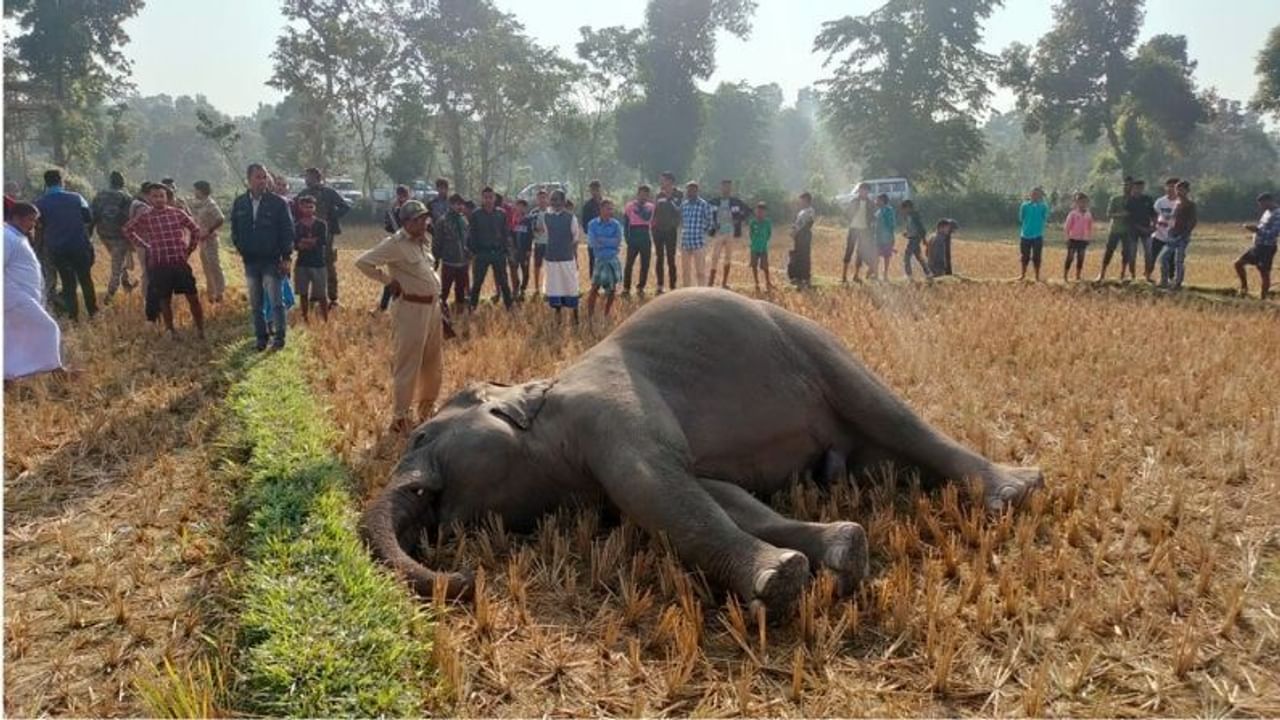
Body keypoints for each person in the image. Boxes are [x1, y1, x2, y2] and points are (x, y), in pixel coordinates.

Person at [354, 200, 445, 434]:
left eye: (425, 218)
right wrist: (388, 282)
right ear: (407, 222)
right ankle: (401, 416)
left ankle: (426, 408)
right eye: (418, 219)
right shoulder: (394, 244)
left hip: (432, 309)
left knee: (433, 362)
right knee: (408, 363)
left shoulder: (425, 241)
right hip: (411, 309)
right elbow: (363, 262)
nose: (424, 222)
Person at [122, 182, 207, 338]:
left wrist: (189, 249)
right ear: (149, 198)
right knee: (164, 300)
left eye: (162, 196)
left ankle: (200, 329)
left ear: (167, 197)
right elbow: (127, 230)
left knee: (193, 297)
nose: (158, 199)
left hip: (179, 263)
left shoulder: (177, 213)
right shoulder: (146, 216)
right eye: (155, 196)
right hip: (160, 265)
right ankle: (171, 330)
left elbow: (195, 229)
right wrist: (145, 245)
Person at [230, 163, 295, 351]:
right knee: (256, 303)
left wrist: (286, 257)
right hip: (251, 260)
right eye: (258, 177)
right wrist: (241, 247)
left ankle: (279, 338)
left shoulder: (278, 203)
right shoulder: (240, 202)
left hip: (272, 260)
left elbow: (287, 231)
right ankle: (261, 338)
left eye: (264, 177)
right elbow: (234, 229)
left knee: (276, 301)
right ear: (248, 179)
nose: (262, 181)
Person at [5, 203, 67, 380]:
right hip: (14, 296)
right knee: (48, 327)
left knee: (14, 337)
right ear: (17, 217)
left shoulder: (16, 236)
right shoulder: (6, 237)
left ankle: (10, 375)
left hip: (18, 296)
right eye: (30, 219)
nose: (33, 224)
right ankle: (56, 370)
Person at [35, 170, 97, 320]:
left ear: (46, 183)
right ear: (62, 181)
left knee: (68, 283)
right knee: (85, 280)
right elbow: (88, 219)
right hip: (79, 244)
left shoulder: (39, 203)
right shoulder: (77, 198)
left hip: (57, 248)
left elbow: (39, 227)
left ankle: (73, 316)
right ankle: (93, 313)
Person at [294, 167, 351, 307]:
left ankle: (333, 298)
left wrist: (331, 218)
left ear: (315, 178)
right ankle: (312, 298)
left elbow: (345, 207)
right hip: (307, 233)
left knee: (327, 263)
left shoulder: (329, 192)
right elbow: (293, 209)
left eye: (308, 177)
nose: (306, 180)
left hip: (327, 234)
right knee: (308, 264)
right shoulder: (303, 194)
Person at [89, 170, 136, 301]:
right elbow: (130, 218)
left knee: (118, 260)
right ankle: (110, 295)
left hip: (103, 234)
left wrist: (89, 233)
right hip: (119, 236)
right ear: (123, 182)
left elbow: (92, 214)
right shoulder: (126, 197)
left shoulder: (100, 195)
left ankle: (126, 284)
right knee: (117, 265)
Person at [538, 189, 582, 324]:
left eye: (557, 200)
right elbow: (544, 233)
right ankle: (558, 318)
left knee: (571, 286)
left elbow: (575, 238)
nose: (555, 203)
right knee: (555, 287)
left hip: (567, 259)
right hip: (551, 259)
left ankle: (575, 318)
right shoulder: (546, 217)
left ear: (563, 202)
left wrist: (574, 257)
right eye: (552, 200)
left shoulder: (571, 217)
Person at [467, 187, 513, 310]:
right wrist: (474, 251)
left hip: (498, 252)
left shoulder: (501, 213)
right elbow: (472, 234)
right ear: (482, 199)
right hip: (482, 253)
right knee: (477, 282)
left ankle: (509, 306)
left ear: (494, 198)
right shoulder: (476, 214)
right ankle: (472, 306)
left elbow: (505, 233)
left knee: (503, 281)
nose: (488, 200)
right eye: (486, 197)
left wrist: (505, 250)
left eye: (490, 197)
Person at [292, 195, 330, 323]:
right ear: (300, 208)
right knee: (303, 293)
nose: (308, 209)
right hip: (302, 263)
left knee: (321, 294)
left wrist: (305, 242)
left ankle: (325, 319)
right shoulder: (296, 226)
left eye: (310, 207)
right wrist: (309, 242)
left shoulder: (321, 224)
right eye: (305, 207)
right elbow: (295, 244)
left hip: (318, 263)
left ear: (314, 208)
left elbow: (322, 241)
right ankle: (305, 317)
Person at [188, 181, 226, 303]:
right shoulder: (200, 204)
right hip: (202, 241)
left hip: (210, 240)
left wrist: (209, 231)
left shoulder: (210, 203)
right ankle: (211, 292)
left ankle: (220, 292)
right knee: (206, 267)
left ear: (201, 190)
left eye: (195, 190)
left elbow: (220, 218)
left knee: (214, 266)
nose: (194, 192)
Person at [1235, 192, 1278, 299]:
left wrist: (1256, 230)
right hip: (1258, 246)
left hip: (1267, 247)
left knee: (1264, 272)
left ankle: (1263, 297)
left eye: (1262, 204)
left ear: (1269, 201)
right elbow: (1263, 228)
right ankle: (1244, 287)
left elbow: (1274, 233)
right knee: (1238, 263)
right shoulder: (1267, 212)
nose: (1261, 206)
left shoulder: (1278, 214)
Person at [432, 193, 471, 313]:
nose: (460, 207)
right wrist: (436, 258)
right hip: (449, 260)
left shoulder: (463, 220)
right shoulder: (443, 221)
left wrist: (469, 253)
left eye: (461, 204)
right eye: (457, 204)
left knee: (460, 289)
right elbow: (437, 241)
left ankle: (459, 310)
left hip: (463, 260)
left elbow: (468, 238)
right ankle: (439, 310)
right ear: (450, 205)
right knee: (445, 289)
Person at [586, 199, 625, 319]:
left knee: (612, 289)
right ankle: (590, 314)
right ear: (601, 209)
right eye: (608, 209)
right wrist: (609, 241)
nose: (610, 211)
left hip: (612, 259)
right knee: (594, 288)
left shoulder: (616, 224)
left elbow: (618, 242)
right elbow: (593, 243)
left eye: (611, 209)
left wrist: (602, 240)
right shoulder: (592, 224)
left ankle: (606, 313)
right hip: (600, 260)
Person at [378, 185, 413, 312]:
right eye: (400, 195)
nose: (402, 198)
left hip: (411, 246)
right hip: (397, 245)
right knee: (394, 278)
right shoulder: (392, 210)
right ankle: (384, 307)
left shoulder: (413, 209)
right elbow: (387, 226)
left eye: (404, 195)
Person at [708, 179, 748, 288]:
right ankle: (710, 282)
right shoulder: (713, 202)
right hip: (718, 233)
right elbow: (706, 214)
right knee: (715, 257)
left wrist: (739, 220)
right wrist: (712, 224)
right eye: (724, 186)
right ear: (720, 188)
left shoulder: (736, 202)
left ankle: (724, 282)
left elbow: (748, 211)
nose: (726, 189)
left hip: (731, 232)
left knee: (728, 257)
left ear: (731, 188)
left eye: (729, 187)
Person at [1159, 180, 1196, 290]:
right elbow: (1173, 218)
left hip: (1183, 236)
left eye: (1181, 189)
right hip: (1173, 234)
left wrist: (1185, 233)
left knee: (1179, 260)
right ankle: (1164, 281)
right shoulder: (1177, 204)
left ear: (1187, 191)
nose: (1178, 191)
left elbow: (1193, 221)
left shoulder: (1190, 205)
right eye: (1177, 189)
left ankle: (1177, 283)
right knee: (1164, 258)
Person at [1097, 177, 1134, 281]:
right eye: (1125, 185)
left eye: (1129, 185)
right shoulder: (1115, 199)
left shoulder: (1134, 200)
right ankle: (1102, 273)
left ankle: (1122, 273)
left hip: (1128, 230)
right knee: (1109, 251)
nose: (1127, 187)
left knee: (1126, 252)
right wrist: (1121, 215)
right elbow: (1109, 214)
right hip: (1115, 229)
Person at [652, 172, 682, 294]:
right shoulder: (659, 195)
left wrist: (670, 199)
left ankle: (673, 285)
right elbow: (655, 211)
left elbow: (678, 209)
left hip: (671, 230)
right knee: (659, 258)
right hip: (658, 230)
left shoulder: (679, 194)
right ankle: (660, 285)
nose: (661, 182)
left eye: (663, 180)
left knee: (671, 258)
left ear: (670, 181)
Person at [679, 181, 713, 287]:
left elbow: (710, 222)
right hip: (685, 242)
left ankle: (702, 293)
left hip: (698, 242)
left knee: (700, 272)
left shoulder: (704, 204)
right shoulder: (684, 205)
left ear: (697, 191)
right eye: (688, 190)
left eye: (693, 190)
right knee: (685, 272)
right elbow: (682, 221)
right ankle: (686, 292)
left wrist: (702, 232)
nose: (690, 192)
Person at [622, 184, 654, 296]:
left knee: (645, 263)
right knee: (629, 264)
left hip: (645, 235)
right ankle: (626, 288)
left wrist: (639, 209)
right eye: (642, 194)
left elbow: (646, 217)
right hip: (633, 234)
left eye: (646, 194)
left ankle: (641, 287)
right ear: (638, 194)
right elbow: (626, 223)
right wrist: (627, 237)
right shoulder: (629, 206)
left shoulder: (651, 207)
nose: (643, 196)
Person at [1146, 177, 1179, 282]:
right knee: (1152, 256)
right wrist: (1153, 226)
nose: (1171, 189)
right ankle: (1148, 275)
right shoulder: (1160, 202)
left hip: (1172, 235)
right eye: (1169, 187)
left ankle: (1171, 278)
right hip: (1159, 234)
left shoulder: (1179, 203)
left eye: (1173, 187)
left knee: (1171, 258)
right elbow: (1153, 215)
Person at [844, 183, 875, 283]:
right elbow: (847, 213)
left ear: (868, 192)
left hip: (864, 230)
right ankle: (844, 276)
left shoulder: (870, 203)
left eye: (865, 190)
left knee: (860, 253)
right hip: (853, 228)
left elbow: (872, 216)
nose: (863, 192)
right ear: (859, 191)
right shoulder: (854, 201)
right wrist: (851, 221)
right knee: (849, 250)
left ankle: (856, 275)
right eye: (862, 190)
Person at [1126, 179, 1156, 280]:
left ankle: (1147, 274)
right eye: (1137, 188)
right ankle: (1132, 275)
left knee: (1148, 253)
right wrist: (1142, 228)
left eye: (1141, 188)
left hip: (1147, 230)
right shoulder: (1129, 201)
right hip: (1133, 230)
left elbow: (1153, 213)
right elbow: (1129, 218)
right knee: (1132, 253)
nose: (1139, 190)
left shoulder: (1148, 199)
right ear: (1133, 188)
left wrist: (1154, 226)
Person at [1018, 186, 1049, 282]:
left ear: (1040, 196)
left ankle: (1037, 276)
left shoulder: (1043, 206)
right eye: (1033, 194)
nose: (1035, 196)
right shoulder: (1025, 206)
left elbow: (1045, 218)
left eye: (1037, 194)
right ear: (1030, 194)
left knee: (1037, 257)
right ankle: (1022, 275)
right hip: (1025, 235)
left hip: (1037, 235)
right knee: (1024, 256)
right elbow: (1021, 218)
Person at [1062, 192, 1094, 282]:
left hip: (1083, 239)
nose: (1082, 204)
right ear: (1076, 203)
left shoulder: (1088, 214)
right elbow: (1067, 227)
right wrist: (1067, 238)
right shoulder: (1073, 214)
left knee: (1081, 257)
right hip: (1073, 238)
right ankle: (1065, 276)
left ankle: (1078, 276)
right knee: (1070, 257)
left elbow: (1090, 227)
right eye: (1080, 202)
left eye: (1084, 202)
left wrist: (1089, 237)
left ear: (1087, 203)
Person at [789, 192, 815, 289]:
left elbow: (805, 224)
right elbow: (797, 223)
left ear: (807, 200)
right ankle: (798, 277)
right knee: (798, 256)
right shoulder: (801, 212)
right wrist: (793, 231)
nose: (800, 202)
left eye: (802, 200)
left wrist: (796, 231)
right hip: (798, 236)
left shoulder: (810, 211)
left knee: (805, 257)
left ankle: (806, 278)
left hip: (804, 235)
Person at [508, 199, 533, 300]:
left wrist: (529, 250)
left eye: (522, 206)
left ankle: (523, 289)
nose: (520, 208)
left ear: (525, 208)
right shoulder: (512, 220)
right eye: (518, 206)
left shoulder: (528, 220)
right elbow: (509, 234)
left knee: (525, 271)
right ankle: (515, 289)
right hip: (514, 250)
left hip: (524, 250)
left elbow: (530, 236)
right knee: (514, 270)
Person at [748, 201, 773, 293]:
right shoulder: (752, 222)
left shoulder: (767, 222)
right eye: (758, 211)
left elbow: (769, 234)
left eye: (762, 211)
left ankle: (768, 282)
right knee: (754, 266)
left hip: (763, 248)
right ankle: (756, 283)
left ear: (765, 212)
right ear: (755, 211)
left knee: (765, 267)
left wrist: (764, 241)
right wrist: (754, 241)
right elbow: (750, 234)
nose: (760, 213)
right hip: (754, 248)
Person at [900, 199, 929, 279]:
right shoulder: (909, 217)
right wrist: (907, 234)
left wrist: (924, 239)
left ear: (908, 207)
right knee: (918, 256)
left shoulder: (914, 216)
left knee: (907, 256)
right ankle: (928, 272)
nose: (903, 211)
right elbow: (911, 229)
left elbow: (921, 228)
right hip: (912, 238)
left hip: (915, 239)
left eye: (904, 209)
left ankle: (909, 275)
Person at [530, 188, 551, 294]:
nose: (542, 200)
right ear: (537, 200)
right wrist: (536, 229)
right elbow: (530, 228)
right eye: (540, 198)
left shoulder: (551, 212)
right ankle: (536, 287)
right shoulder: (534, 213)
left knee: (550, 266)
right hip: (538, 243)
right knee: (537, 266)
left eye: (544, 198)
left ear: (547, 199)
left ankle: (548, 287)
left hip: (550, 243)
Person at [581, 179, 603, 275]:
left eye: (596, 189)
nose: (594, 192)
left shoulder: (605, 203)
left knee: (605, 259)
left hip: (606, 235)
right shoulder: (587, 205)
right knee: (593, 260)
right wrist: (591, 234)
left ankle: (606, 282)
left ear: (600, 189)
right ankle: (594, 283)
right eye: (592, 189)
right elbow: (584, 222)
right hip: (593, 236)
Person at [874, 193, 897, 279]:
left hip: (887, 238)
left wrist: (890, 237)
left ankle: (885, 274)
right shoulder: (878, 211)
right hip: (878, 237)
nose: (876, 201)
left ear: (883, 201)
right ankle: (876, 274)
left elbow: (892, 224)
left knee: (886, 256)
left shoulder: (888, 210)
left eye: (878, 200)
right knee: (876, 255)